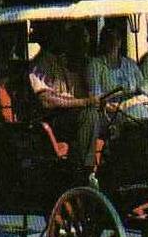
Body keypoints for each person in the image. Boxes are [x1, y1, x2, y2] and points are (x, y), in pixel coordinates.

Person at [29, 22, 101, 181]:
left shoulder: (69, 62)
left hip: (74, 116)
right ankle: (86, 171)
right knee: (89, 115)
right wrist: (82, 102)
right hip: (53, 120)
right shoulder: (40, 65)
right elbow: (46, 101)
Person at [87, 27, 148, 119]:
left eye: (116, 38)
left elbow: (143, 84)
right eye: (109, 39)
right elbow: (97, 99)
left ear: (120, 42)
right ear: (103, 42)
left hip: (135, 104)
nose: (113, 42)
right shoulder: (95, 65)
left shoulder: (129, 63)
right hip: (111, 113)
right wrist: (125, 104)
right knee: (139, 112)